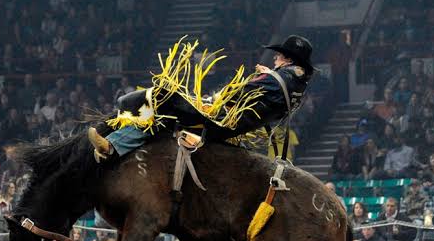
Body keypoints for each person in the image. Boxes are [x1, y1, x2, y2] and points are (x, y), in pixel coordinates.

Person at [87, 35, 315, 161]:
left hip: (220, 120)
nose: (275, 58)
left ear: (287, 58)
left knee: (164, 96)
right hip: (233, 124)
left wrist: (209, 100)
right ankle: (116, 145)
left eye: (278, 55)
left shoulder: (278, 78)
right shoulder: (293, 83)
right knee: (167, 116)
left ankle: (113, 140)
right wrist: (268, 74)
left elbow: (237, 91)